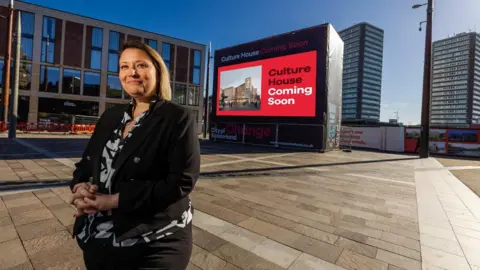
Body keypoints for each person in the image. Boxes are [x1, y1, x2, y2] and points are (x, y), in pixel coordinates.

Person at [69, 40, 200, 270]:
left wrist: (112, 201)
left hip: (154, 242)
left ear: (157, 71)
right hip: (97, 240)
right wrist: (80, 187)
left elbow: (181, 182)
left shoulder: (177, 117)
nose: (132, 73)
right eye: (124, 66)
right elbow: (87, 165)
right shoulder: (110, 116)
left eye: (141, 65)